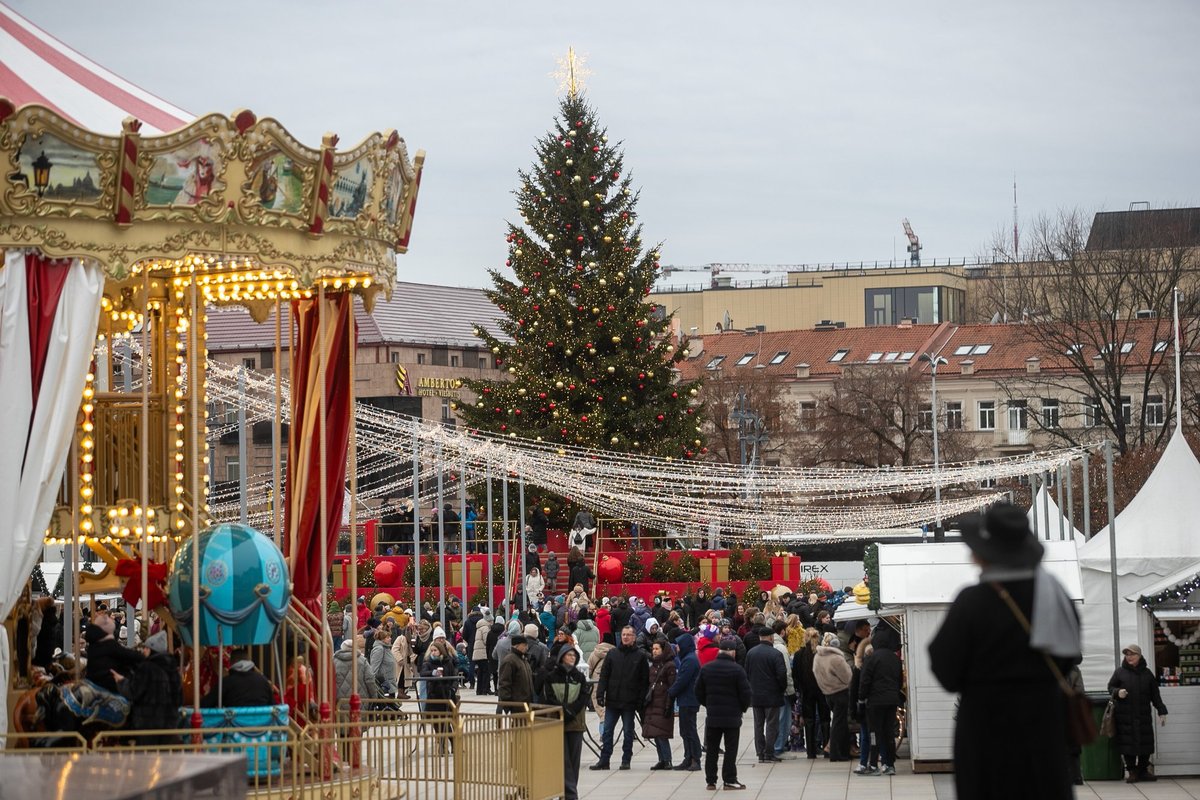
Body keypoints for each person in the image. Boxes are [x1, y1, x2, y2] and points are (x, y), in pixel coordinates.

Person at [929, 503, 1081, 800]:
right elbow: (1069, 657)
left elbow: (946, 671)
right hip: (1043, 725)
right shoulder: (1054, 594)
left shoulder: (972, 602)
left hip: (986, 729)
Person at [696, 636, 751, 790]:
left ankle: (711, 780)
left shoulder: (707, 668)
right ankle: (729, 779)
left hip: (713, 716)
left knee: (712, 749)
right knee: (730, 749)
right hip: (732, 717)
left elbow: (698, 691)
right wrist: (742, 708)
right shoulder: (737, 670)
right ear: (733, 653)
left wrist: (708, 704)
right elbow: (746, 693)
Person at [591, 626, 650, 771]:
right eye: (624, 634)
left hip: (630, 701)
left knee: (628, 732)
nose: (625, 637)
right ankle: (604, 760)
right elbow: (604, 675)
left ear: (634, 637)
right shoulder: (612, 653)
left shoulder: (640, 655)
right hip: (613, 700)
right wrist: (600, 694)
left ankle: (626, 759)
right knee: (607, 731)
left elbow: (644, 680)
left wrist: (640, 700)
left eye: (629, 635)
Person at [1108, 643, 1168, 783]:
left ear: (1139, 656)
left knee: (1145, 743)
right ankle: (1132, 771)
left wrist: (1162, 711)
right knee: (1127, 744)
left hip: (1143, 716)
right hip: (1125, 716)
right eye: (1127, 654)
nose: (1129, 657)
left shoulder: (1147, 674)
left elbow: (1155, 695)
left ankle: (1143, 771)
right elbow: (1110, 687)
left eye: (1132, 654)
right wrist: (1117, 692)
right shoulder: (1119, 672)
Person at [111, 630, 182, 744]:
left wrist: (121, 681)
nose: (143, 651)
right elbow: (179, 698)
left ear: (151, 650)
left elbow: (133, 692)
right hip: (170, 722)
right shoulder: (172, 668)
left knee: (148, 757)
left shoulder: (147, 668)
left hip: (148, 722)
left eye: (146, 648)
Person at [539, 646, 589, 800]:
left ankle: (569, 791)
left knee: (574, 761)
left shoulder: (579, 677)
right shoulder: (552, 676)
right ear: (562, 657)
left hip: (575, 723)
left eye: (574, 655)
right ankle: (570, 794)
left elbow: (583, 697)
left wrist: (571, 711)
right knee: (563, 760)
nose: (572, 658)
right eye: (569, 655)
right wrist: (563, 710)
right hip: (558, 721)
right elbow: (549, 697)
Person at [858, 622, 903, 776]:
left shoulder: (871, 658)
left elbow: (865, 680)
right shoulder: (895, 659)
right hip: (891, 700)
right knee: (888, 732)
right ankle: (889, 764)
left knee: (874, 733)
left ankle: (873, 764)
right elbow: (899, 680)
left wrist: (861, 699)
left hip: (875, 701)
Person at [745, 626, 787, 763]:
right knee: (771, 724)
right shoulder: (775, 654)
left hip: (755, 695)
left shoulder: (751, 653)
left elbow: (747, 673)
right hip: (772, 695)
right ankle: (769, 752)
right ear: (771, 637)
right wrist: (782, 689)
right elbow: (782, 675)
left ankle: (760, 752)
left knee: (758, 724)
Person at [813, 631, 852, 761]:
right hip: (840, 692)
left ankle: (843, 750)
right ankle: (835, 752)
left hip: (827, 693)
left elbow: (815, 673)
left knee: (838, 721)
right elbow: (847, 677)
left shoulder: (818, 657)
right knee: (839, 723)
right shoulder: (837, 658)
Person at [83, 612, 143, 693]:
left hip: (99, 683)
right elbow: (128, 655)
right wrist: (145, 655)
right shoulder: (107, 644)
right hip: (108, 687)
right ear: (106, 627)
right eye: (109, 619)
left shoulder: (96, 642)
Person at [669, 632, 703, 771]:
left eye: (678, 645)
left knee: (689, 730)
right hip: (686, 699)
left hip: (689, 699)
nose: (677, 648)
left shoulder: (689, 660)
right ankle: (688, 757)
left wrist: (670, 693)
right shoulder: (688, 658)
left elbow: (682, 680)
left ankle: (695, 758)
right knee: (685, 730)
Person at [793, 627, 828, 759]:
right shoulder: (822, 653)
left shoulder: (799, 654)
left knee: (809, 720)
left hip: (806, 691)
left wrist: (800, 688)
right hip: (822, 689)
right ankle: (826, 747)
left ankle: (811, 751)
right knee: (825, 719)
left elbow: (795, 674)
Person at [643, 640, 677, 769]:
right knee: (655, 732)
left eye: (657, 649)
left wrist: (669, 705)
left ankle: (667, 759)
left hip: (663, 703)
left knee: (662, 733)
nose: (654, 651)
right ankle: (661, 759)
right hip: (653, 703)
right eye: (653, 649)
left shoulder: (669, 666)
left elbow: (672, 687)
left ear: (664, 650)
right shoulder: (653, 666)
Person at [204, 647, 275, 707]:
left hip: (233, 722)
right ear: (249, 660)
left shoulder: (225, 683)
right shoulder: (263, 681)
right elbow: (272, 705)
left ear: (231, 663)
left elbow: (205, 705)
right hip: (262, 722)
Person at [497, 634, 535, 710]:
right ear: (516, 645)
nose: (526, 648)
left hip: (526, 703)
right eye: (524, 645)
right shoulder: (510, 660)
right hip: (517, 703)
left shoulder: (523, 659)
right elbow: (504, 683)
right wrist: (507, 703)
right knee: (518, 722)